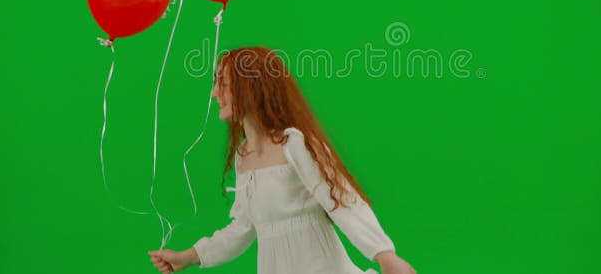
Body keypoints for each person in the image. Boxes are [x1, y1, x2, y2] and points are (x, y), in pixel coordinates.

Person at [148, 46, 416, 274]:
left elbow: (340, 198)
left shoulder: (295, 144)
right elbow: (243, 227)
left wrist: (383, 253)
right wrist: (187, 257)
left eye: (224, 83)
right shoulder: (244, 157)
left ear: (252, 88)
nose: (214, 93)